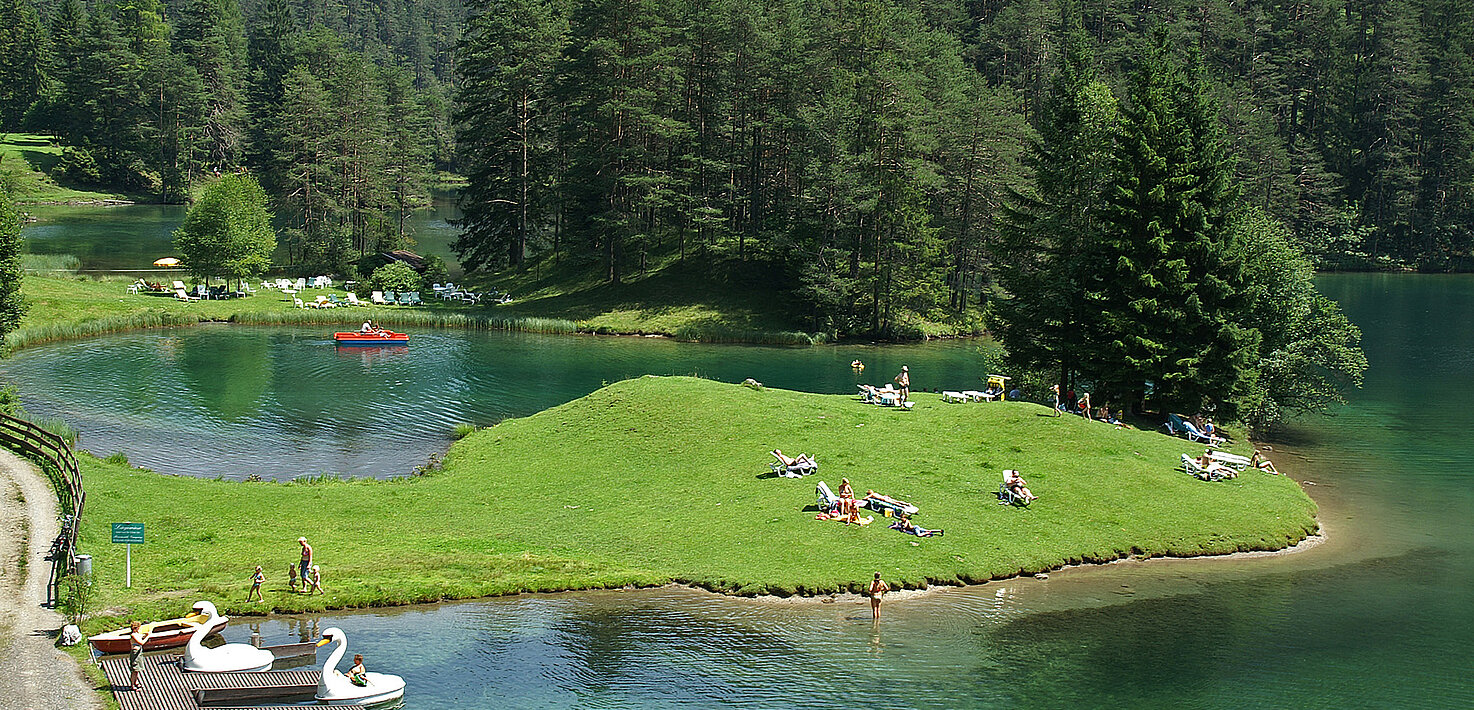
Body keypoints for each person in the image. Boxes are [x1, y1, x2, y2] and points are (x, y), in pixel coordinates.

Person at [128, 620, 150, 690]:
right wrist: (148, 636)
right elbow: (141, 642)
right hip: (135, 653)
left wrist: (145, 634)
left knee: (138, 669)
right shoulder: (133, 635)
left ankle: (135, 682)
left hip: (139, 653)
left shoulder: (137, 634)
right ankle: (132, 685)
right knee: (135, 670)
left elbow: (141, 636)